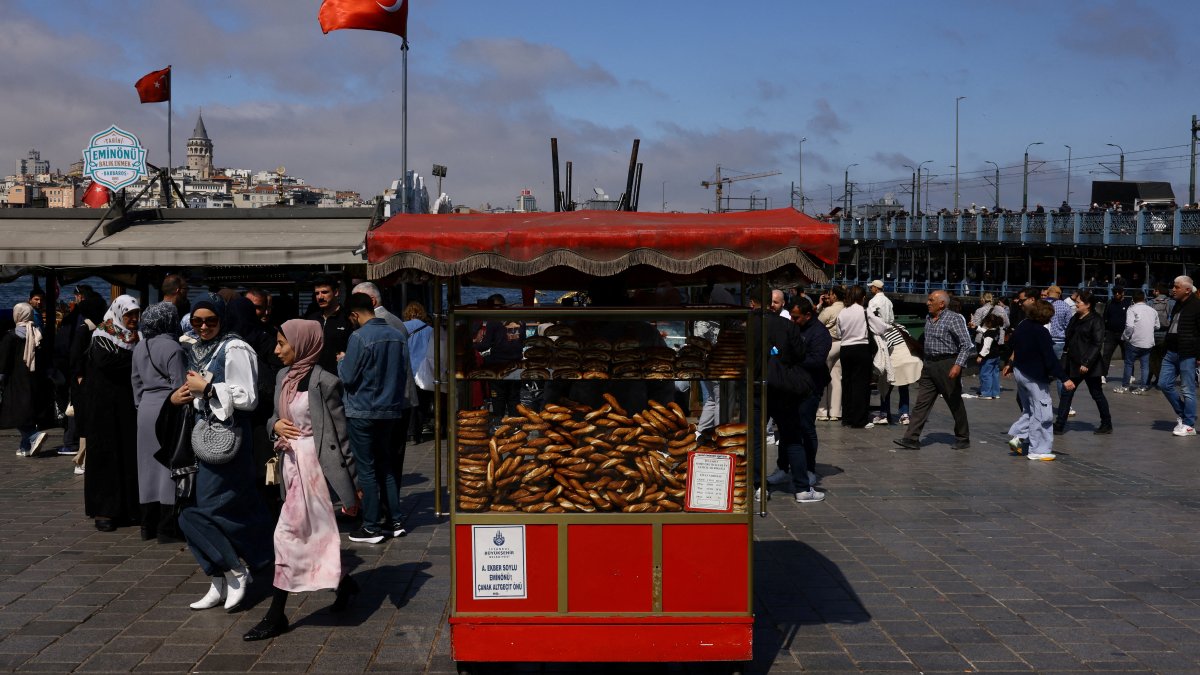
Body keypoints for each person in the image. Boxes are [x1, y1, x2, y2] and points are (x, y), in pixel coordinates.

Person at [243, 319, 359, 641]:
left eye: (282, 343)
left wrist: (352, 488)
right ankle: (346, 584)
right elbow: (274, 419)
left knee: (287, 536)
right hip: (290, 464)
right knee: (314, 535)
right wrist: (275, 426)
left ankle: (276, 615)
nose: (277, 350)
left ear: (302, 343)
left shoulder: (326, 382)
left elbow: (341, 437)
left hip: (315, 469)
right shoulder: (283, 377)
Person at [173, 294, 274, 612]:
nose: (203, 327)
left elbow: (249, 397)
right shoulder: (195, 348)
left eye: (211, 321)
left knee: (210, 511)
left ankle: (234, 570)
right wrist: (182, 397)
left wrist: (212, 390)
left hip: (230, 439)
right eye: (197, 321)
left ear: (222, 319)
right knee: (207, 509)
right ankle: (219, 577)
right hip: (205, 438)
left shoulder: (235, 348)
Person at [339, 292, 411, 544]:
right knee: (387, 466)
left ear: (354, 314)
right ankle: (395, 521)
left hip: (363, 409)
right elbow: (403, 374)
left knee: (367, 469)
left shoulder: (358, 337)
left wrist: (341, 361)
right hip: (390, 409)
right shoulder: (397, 335)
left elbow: (347, 377)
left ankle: (371, 526)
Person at [83, 295, 142, 532]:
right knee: (106, 456)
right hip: (103, 408)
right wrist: (135, 360)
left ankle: (130, 508)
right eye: (129, 315)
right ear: (118, 313)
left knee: (129, 453)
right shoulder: (103, 334)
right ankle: (105, 510)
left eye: (136, 314)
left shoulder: (138, 337)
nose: (133, 319)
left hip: (128, 405)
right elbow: (108, 362)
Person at [130, 302, 187, 542]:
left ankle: (147, 525)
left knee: (146, 468)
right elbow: (181, 386)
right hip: (168, 408)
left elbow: (136, 383)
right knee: (168, 466)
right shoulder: (174, 347)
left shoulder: (139, 346)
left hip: (145, 410)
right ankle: (166, 528)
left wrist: (142, 405)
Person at [894, 290, 973, 450]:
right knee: (922, 402)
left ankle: (962, 437)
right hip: (929, 364)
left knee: (954, 402)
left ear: (942, 303)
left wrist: (958, 365)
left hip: (947, 363)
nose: (927, 303)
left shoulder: (954, 318)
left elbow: (966, 344)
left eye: (931, 300)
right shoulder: (929, 318)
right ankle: (911, 438)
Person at [1006, 299, 1076, 459]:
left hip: (1020, 372)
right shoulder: (1041, 332)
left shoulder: (1023, 325)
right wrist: (1064, 378)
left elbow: (1011, 345)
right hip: (1035, 376)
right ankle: (1039, 450)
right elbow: (1050, 358)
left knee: (1029, 409)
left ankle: (1018, 436)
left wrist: (1010, 364)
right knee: (1043, 412)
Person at [1053, 291, 1112, 435]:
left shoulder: (1096, 320)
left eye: (1079, 302)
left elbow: (1097, 343)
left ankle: (1106, 423)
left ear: (1088, 305)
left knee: (1096, 393)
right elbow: (1069, 335)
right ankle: (1060, 424)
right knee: (1067, 392)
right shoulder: (1076, 317)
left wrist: (1086, 362)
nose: (1076, 304)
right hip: (1073, 363)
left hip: (1089, 365)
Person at [0, 302, 52, 456]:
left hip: (16, 380)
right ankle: (25, 446)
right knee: (27, 411)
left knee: (15, 412)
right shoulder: (37, 334)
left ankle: (33, 435)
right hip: (36, 379)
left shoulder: (11, 336)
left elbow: (3, 361)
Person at [1158, 276, 1199, 437]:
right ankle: (1184, 415)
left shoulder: (1196, 306)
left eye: (1177, 287)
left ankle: (1189, 425)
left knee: (1187, 389)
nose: (1173, 290)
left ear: (1187, 290)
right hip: (1171, 352)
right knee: (1164, 383)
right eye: (1173, 286)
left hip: (1187, 352)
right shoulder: (1177, 305)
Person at [836, 285, 872, 429]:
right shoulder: (864, 311)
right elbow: (879, 327)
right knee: (861, 385)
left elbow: (839, 333)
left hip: (845, 348)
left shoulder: (842, 312)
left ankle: (847, 417)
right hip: (861, 347)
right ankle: (859, 419)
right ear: (861, 297)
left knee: (847, 383)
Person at [304, 275, 352, 374]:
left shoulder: (348, 318)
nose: (320, 297)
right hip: (314, 377)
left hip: (339, 377)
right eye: (317, 293)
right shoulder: (311, 319)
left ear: (336, 292)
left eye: (325, 292)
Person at [402, 301, 435, 444]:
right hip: (423, 372)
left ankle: (409, 432)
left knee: (408, 403)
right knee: (422, 404)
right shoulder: (430, 330)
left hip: (407, 371)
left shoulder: (402, 328)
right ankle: (417, 432)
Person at [1113, 289, 1157, 394]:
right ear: (1144, 298)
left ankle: (1125, 386)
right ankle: (1142, 387)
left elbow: (1129, 326)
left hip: (1134, 341)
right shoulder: (1152, 310)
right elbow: (1157, 326)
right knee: (1145, 365)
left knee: (1128, 364)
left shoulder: (1132, 309)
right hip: (1148, 342)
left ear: (1133, 299)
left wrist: (1125, 336)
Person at [816, 286, 845, 421]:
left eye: (830, 294)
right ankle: (835, 412)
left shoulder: (829, 310)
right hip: (842, 344)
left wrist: (820, 307)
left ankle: (822, 411)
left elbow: (817, 324)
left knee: (822, 376)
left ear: (834, 296)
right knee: (836, 377)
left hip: (829, 344)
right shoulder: (846, 309)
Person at [1099, 286, 1130, 382]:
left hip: (1124, 333)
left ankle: (1130, 375)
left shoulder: (1128, 303)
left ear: (1123, 293)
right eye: (1115, 292)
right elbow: (1104, 317)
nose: (1117, 294)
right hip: (1111, 333)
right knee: (1106, 355)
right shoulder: (1109, 303)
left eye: (1119, 292)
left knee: (1127, 355)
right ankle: (1103, 375)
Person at [975, 313, 1005, 399]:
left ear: (988, 323)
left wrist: (980, 356)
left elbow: (986, 346)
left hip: (988, 357)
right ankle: (995, 392)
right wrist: (977, 328)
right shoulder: (996, 330)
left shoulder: (989, 334)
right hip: (996, 356)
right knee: (994, 374)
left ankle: (986, 393)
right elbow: (985, 331)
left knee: (985, 374)